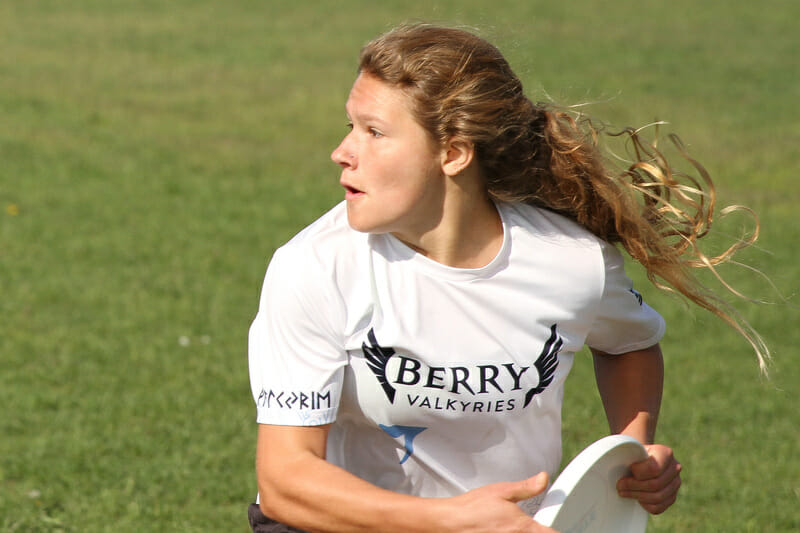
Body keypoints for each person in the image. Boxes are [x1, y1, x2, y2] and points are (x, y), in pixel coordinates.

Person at [247, 23, 765, 532]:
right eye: (350, 126)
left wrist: (629, 451)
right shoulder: (315, 267)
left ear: (452, 153)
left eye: (375, 132)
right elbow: (285, 481)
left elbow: (627, 344)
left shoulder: (571, 261)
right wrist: (447, 522)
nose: (343, 152)